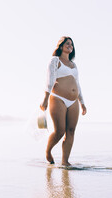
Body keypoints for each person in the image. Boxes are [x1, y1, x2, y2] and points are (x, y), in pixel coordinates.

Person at [40, 36, 87, 166]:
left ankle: (65, 161)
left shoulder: (73, 65)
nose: (70, 46)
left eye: (71, 44)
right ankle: (48, 151)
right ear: (61, 46)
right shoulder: (55, 60)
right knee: (60, 131)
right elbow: (49, 80)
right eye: (67, 44)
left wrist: (82, 102)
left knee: (71, 131)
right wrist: (45, 99)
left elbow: (77, 84)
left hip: (73, 102)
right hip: (58, 98)